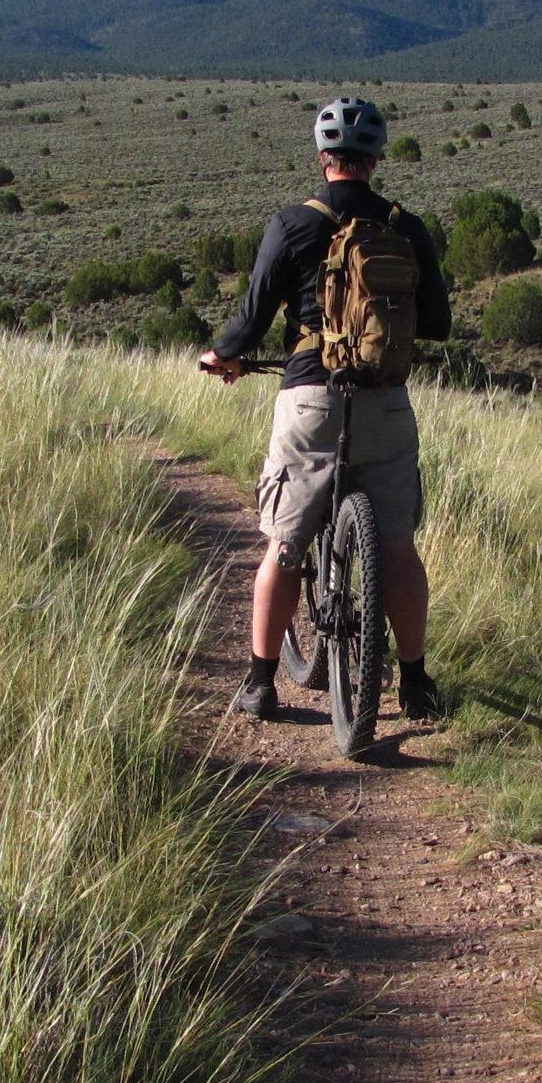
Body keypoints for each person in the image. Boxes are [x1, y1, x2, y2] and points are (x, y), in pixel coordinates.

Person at [199, 95, 452, 724]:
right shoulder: (405, 226)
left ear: (323, 158)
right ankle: (417, 683)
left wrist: (223, 356)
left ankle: (261, 684)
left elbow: (252, 318)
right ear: (374, 158)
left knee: (285, 542)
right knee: (396, 543)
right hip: (386, 401)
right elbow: (440, 322)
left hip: (311, 396)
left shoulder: (292, 225)